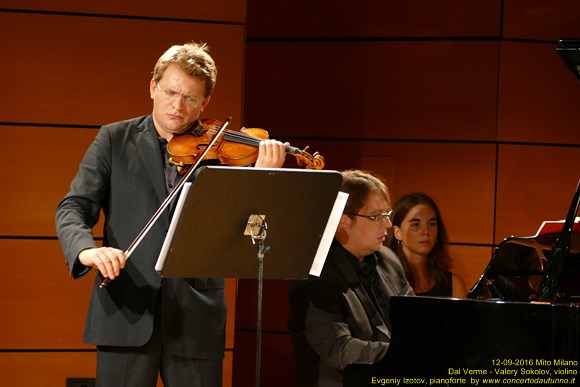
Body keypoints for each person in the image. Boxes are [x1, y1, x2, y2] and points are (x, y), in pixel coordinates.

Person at [55, 42, 287, 387]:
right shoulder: (113, 139)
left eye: (191, 98)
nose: (178, 106)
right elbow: (73, 207)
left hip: (197, 316)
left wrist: (263, 181)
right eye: (170, 92)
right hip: (126, 308)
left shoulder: (222, 151)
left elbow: (249, 228)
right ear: (153, 87)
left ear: (205, 102)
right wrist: (86, 250)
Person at [288, 170, 415, 387]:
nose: (387, 224)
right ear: (344, 221)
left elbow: (413, 318)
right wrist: (402, 354)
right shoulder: (315, 276)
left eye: (387, 214)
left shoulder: (387, 259)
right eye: (376, 216)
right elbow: (339, 349)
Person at [386, 192, 467, 297]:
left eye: (431, 224)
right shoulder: (386, 281)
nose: (426, 231)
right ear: (397, 232)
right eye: (416, 225)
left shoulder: (454, 284)